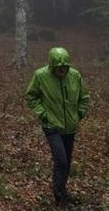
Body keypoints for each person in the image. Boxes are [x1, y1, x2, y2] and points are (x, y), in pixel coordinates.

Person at [25, 47, 91, 207]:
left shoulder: (75, 76)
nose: (61, 69)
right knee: (61, 160)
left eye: (64, 67)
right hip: (52, 126)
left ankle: (61, 189)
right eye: (58, 67)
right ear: (52, 66)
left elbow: (84, 97)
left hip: (70, 127)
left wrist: (79, 114)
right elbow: (30, 96)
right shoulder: (40, 76)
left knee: (66, 162)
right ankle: (60, 195)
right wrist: (43, 114)